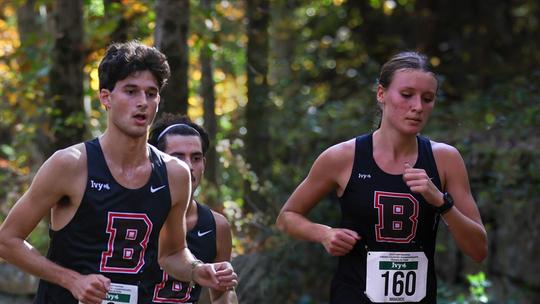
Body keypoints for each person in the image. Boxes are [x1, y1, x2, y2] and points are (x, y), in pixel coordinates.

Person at [0, 40, 237, 304]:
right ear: (106, 97)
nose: (142, 103)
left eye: (151, 93)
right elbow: (7, 240)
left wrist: (198, 270)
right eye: (131, 91)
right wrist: (73, 280)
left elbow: (172, 254)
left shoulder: (175, 174)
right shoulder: (71, 164)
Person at [276, 51, 487, 303]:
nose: (418, 107)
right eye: (407, 95)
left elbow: (478, 250)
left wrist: (442, 203)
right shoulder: (343, 157)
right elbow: (287, 217)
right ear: (381, 94)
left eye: (427, 98)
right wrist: (323, 233)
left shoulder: (445, 160)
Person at [148, 113, 238, 304]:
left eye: (196, 158)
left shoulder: (217, 226)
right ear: (155, 161)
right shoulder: (129, 212)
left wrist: (226, 287)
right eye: (177, 157)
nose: (188, 166)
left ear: (204, 164)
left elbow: (222, 293)